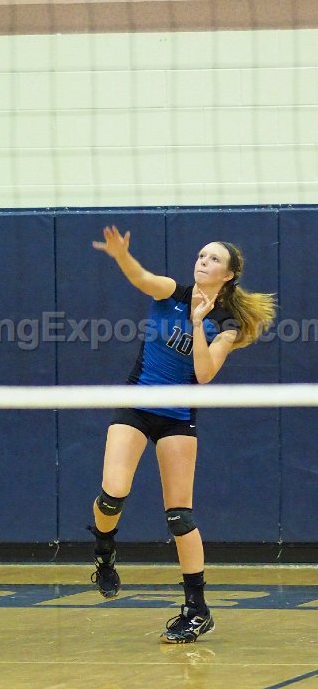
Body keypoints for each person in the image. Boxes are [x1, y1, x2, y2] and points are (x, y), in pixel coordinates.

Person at [89, 225, 276, 644]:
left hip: (176, 417)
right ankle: (104, 551)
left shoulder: (226, 324)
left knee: (179, 516)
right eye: (201, 255)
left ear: (228, 274)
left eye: (214, 259)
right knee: (112, 495)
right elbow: (142, 277)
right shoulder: (172, 292)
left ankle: (197, 609)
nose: (203, 262)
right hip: (136, 407)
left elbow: (204, 374)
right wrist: (121, 255)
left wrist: (196, 323)